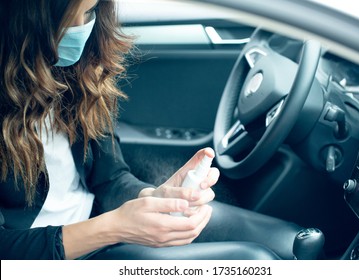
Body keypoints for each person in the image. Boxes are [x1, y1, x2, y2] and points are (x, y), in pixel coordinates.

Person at [0, 0, 302, 260]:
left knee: (290, 244)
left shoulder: (78, 75)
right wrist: (115, 226)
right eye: (66, 20)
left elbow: (110, 179)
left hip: (101, 228)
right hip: (50, 253)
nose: (82, 28)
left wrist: (154, 198)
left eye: (90, 11)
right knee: (257, 260)